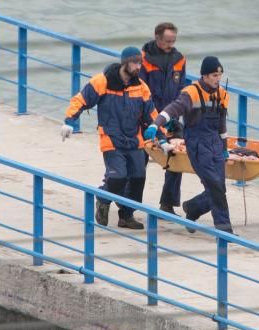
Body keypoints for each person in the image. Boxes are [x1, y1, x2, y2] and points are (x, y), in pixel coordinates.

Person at [62, 47, 157, 229]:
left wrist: (164, 137)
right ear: (124, 62)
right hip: (111, 138)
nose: (139, 67)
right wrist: (69, 121)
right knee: (118, 177)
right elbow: (80, 100)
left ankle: (126, 216)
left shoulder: (141, 87)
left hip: (134, 139)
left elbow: (151, 114)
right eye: (135, 63)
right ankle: (103, 198)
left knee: (138, 178)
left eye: (140, 63)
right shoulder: (102, 81)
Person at [146, 56, 235, 233]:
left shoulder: (222, 95)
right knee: (215, 187)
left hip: (215, 144)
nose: (218, 78)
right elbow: (172, 109)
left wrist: (224, 149)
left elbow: (221, 126)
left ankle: (193, 208)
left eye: (220, 75)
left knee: (220, 187)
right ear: (204, 76)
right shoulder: (191, 93)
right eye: (214, 75)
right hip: (197, 145)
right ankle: (225, 231)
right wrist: (156, 124)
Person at [141, 22, 187, 215]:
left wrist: (175, 114)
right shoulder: (143, 59)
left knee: (176, 161)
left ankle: (168, 203)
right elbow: (140, 91)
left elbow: (181, 89)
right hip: (146, 117)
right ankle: (124, 202)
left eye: (173, 40)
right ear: (157, 38)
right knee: (136, 162)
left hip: (171, 117)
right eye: (167, 41)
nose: (171, 44)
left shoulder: (179, 59)